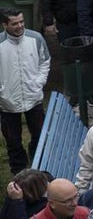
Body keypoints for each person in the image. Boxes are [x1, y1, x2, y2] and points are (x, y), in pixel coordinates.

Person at [0, 9, 51, 172]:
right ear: (5, 25)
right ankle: (18, 172)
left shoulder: (36, 38)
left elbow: (45, 61)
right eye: (14, 23)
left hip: (34, 97)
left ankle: (38, 167)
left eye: (21, 21)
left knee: (39, 136)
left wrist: (39, 82)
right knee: (13, 141)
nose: (20, 26)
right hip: (7, 102)